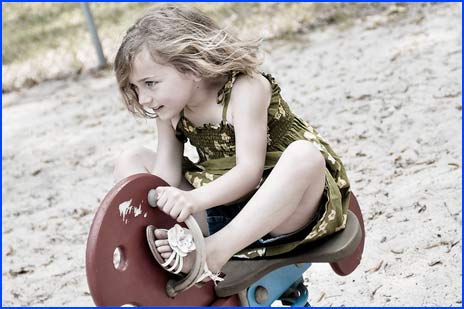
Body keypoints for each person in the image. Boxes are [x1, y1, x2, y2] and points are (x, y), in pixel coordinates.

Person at [113, 4, 350, 283]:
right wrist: (159, 200)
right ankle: (155, 244)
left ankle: (213, 252)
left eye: (150, 83)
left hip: (281, 211)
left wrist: (192, 199)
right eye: (136, 88)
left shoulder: (246, 89)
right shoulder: (170, 109)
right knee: (133, 158)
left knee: (304, 156)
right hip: (223, 209)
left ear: (191, 66)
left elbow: (249, 173)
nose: (143, 99)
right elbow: (167, 174)